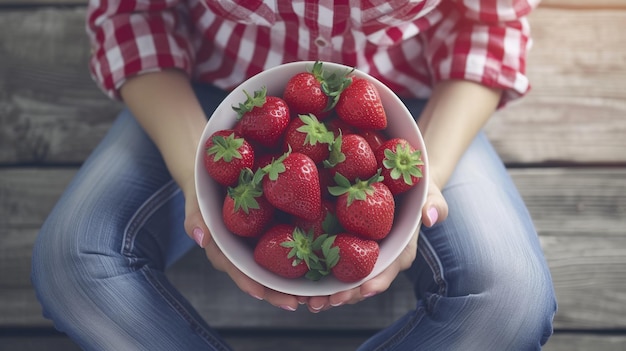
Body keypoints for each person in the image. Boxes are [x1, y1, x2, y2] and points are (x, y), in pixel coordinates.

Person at [31, 0, 557, 349]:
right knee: (73, 264)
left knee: (510, 301)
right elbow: (135, 13)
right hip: (218, 98)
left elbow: (489, 23)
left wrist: (428, 175)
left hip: (401, 111)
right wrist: (197, 168)